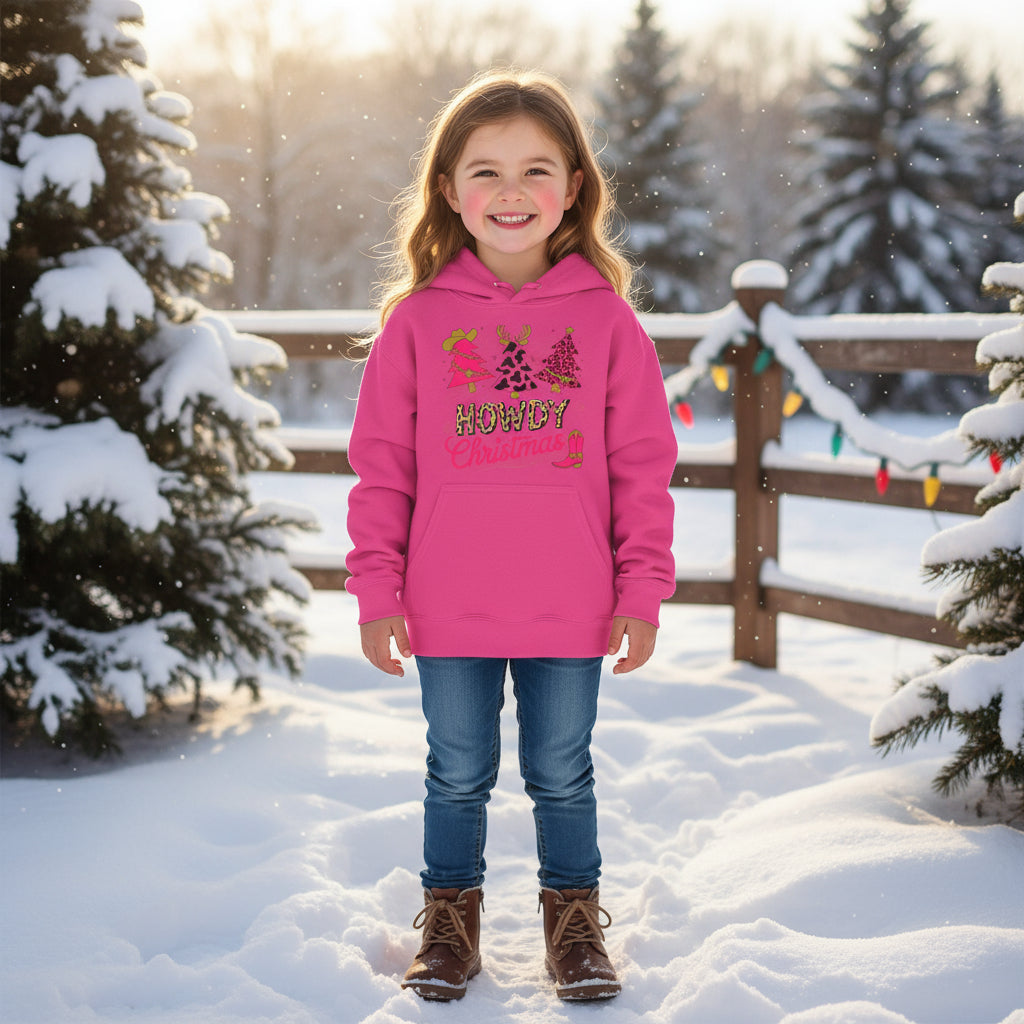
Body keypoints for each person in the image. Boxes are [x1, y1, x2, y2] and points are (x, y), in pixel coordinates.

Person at [345, 69, 677, 1002]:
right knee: (456, 774)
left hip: (570, 605)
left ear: (574, 186)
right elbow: (382, 474)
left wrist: (641, 588)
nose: (511, 192)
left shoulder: (608, 326)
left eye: (537, 169)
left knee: (562, 775)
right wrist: (378, 591)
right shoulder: (416, 326)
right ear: (449, 190)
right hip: (447, 606)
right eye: (485, 171)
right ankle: (450, 928)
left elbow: (641, 470)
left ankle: (574, 929)